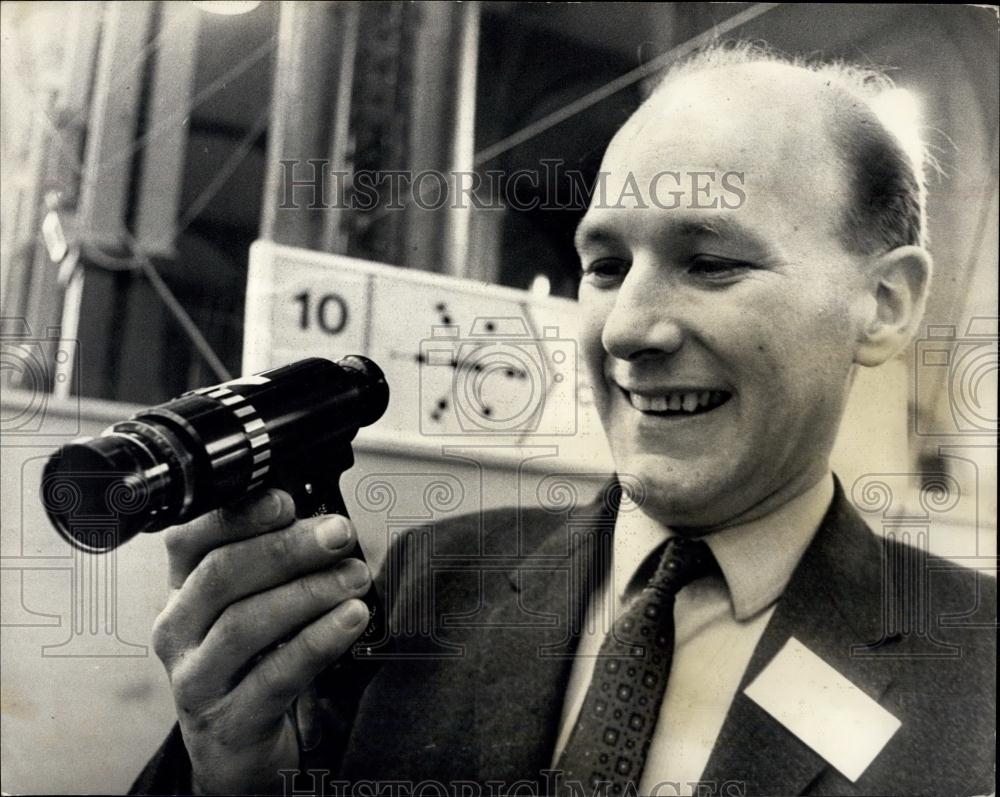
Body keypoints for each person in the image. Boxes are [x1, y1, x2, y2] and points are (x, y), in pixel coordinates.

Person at [132, 43, 995, 796]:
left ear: (883, 303)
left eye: (711, 262)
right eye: (607, 265)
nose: (626, 329)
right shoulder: (433, 582)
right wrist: (236, 778)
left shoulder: (977, 671)